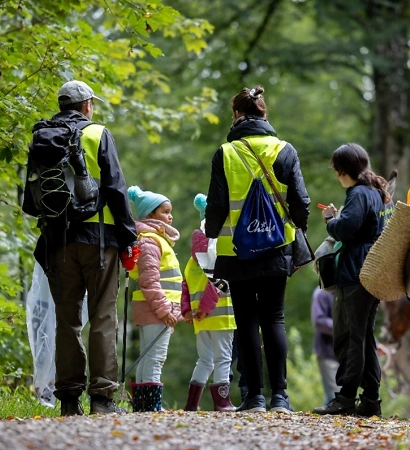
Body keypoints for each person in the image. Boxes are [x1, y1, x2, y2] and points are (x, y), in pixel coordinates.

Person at [23, 80, 138, 416]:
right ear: (87, 105)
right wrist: (129, 236)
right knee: (103, 316)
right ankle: (102, 399)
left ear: (62, 105)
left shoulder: (41, 137)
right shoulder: (98, 133)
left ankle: (69, 400)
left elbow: (30, 202)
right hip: (99, 240)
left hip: (58, 241)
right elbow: (115, 188)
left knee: (67, 319)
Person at [205, 85, 311, 413]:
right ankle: (280, 397)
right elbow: (301, 202)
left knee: (246, 321)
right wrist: (298, 227)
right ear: (264, 114)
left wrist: (211, 232)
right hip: (277, 246)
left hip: (236, 250)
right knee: (274, 318)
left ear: (237, 114)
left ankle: (254, 398)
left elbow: (217, 205)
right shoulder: (285, 150)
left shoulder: (226, 153)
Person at [313, 143, 393, 417]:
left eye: (337, 170)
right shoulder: (375, 192)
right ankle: (370, 399)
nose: (337, 175)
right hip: (372, 269)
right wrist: (341, 217)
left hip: (355, 271)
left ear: (345, 169)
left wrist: (330, 220)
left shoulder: (358, 193)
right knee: (364, 337)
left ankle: (345, 397)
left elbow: (346, 229)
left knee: (349, 337)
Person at [127, 185, 183, 412]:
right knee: (155, 357)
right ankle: (150, 405)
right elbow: (149, 281)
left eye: (170, 212)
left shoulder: (153, 239)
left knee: (147, 354)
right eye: (165, 212)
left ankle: (142, 405)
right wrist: (165, 310)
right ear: (150, 214)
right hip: (156, 309)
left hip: (153, 308)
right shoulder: (150, 241)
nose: (170, 216)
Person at [181, 194, 238, 412]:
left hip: (199, 319)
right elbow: (218, 283)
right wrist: (206, 309)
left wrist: (187, 310)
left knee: (204, 360)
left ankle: (191, 403)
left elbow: (185, 285)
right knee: (223, 358)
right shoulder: (217, 251)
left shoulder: (192, 259)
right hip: (220, 315)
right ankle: (222, 402)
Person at [311, 287, 340, 406]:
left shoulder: (346, 291)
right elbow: (319, 321)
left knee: (337, 397)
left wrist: (376, 344)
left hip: (346, 354)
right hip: (328, 353)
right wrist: (343, 326)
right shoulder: (321, 293)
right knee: (335, 395)